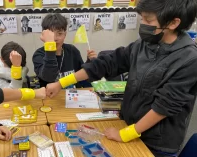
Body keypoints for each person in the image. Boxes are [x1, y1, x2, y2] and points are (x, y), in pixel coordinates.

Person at [45, 0, 197, 156]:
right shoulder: (144, 44)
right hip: (128, 125)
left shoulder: (189, 59)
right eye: (141, 18)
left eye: (148, 20)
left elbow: (164, 106)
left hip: (156, 142)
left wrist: (125, 134)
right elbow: (107, 63)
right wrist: (61, 83)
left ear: (173, 23)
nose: (142, 23)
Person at [32, 13, 95, 88]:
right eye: (51, 35)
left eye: (59, 33)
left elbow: (82, 77)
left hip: (72, 94)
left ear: (65, 34)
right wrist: (50, 47)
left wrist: (89, 62)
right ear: (44, 35)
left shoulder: (72, 51)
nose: (55, 38)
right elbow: (49, 77)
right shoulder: (39, 55)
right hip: (50, 97)